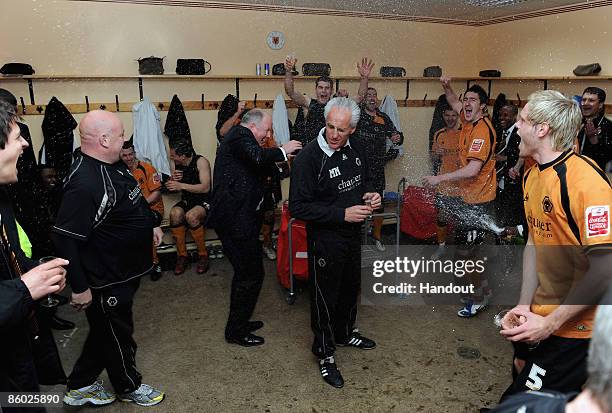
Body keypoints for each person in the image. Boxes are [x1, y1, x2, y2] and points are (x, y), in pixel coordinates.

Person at [498, 90, 611, 400]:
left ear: (542, 129)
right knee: (522, 371)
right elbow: (535, 241)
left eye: (522, 120)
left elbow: (604, 271)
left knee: (519, 404)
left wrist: (549, 325)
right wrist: (525, 305)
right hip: (542, 315)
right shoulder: (532, 174)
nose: (516, 127)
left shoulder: (586, 184)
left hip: (579, 329)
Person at [52, 110, 165, 407]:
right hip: (106, 279)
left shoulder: (112, 165)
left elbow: (132, 199)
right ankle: (129, 386)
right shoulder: (84, 182)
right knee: (118, 334)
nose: (125, 139)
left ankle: (79, 386)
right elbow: (64, 239)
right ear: (103, 139)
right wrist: (79, 287)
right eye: (120, 135)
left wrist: (151, 223)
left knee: (107, 332)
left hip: (125, 271)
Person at [290, 97, 381, 389]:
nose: (333, 134)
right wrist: (342, 214)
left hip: (354, 235)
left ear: (352, 129)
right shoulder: (308, 159)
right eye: (330, 127)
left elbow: (365, 180)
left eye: (341, 130)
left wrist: (372, 195)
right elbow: (298, 208)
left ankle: (344, 334)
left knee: (351, 287)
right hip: (326, 239)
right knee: (324, 297)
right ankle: (325, 353)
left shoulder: (357, 147)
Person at [208, 109, 301, 347]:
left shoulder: (250, 150)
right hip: (233, 220)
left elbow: (277, 170)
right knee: (249, 275)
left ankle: (240, 322)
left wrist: (286, 160)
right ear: (252, 127)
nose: (268, 134)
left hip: (244, 219)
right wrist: (282, 149)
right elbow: (260, 158)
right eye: (266, 129)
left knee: (250, 274)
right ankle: (236, 332)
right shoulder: (239, 135)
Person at [0, 100, 69, 404]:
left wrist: (32, 272)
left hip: (16, 342)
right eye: (17, 138)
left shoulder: (2, 197)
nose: (26, 144)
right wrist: (25, 288)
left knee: (26, 399)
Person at [423, 77, 497, 317]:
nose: (466, 103)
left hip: (479, 203)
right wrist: (446, 87)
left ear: (483, 106)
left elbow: (472, 169)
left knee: (468, 255)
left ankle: (479, 298)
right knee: (465, 252)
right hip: (468, 199)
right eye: (466, 99)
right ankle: (481, 291)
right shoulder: (467, 120)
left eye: (472, 99)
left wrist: (439, 179)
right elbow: (453, 100)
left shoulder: (482, 132)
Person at [490, 287, 612, 413]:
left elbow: (602, 276)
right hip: (535, 315)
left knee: (532, 393)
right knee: (520, 365)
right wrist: (524, 304)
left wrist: (549, 324)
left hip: (573, 332)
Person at [354, 86, 404, 251]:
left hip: (377, 170)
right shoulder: (357, 115)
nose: (372, 98)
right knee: (355, 203)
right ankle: (355, 241)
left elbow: (397, 137)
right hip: (356, 168)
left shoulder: (383, 117)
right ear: (364, 98)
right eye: (368, 95)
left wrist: (397, 137)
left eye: (375, 95)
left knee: (378, 205)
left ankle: (377, 237)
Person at [284, 56, 372, 145]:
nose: (323, 91)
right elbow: (290, 92)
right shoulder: (309, 103)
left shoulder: (337, 105)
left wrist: (364, 78)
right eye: (320, 87)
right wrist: (288, 72)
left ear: (331, 91)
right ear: (316, 90)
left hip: (333, 149)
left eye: (327, 88)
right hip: (314, 150)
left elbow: (360, 97)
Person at [120, 140, 165, 281]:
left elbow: (157, 193)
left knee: (144, 225)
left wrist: (139, 205)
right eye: (125, 155)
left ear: (134, 153)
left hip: (153, 209)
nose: (128, 158)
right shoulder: (119, 172)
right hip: (132, 212)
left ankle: (155, 263)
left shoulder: (146, 168)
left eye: (130, 154)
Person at [166, 139, 212, 275]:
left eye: (173, 155)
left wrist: (182, 185)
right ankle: (182, 256)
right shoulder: (178, 164)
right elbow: (175, 187)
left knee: (191, 216)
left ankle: (203, 255)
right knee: (174, 214)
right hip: (188, 200)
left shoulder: (200, 161)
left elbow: (205, 188)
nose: (171, 157)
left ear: (183, 155)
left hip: (204, 201)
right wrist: (173, 181)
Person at [430, 105, 462, 256]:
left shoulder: (465, 133)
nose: (450, 119)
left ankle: (462, 249)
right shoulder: (439, 134)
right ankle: (441, 247)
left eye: (453, 116)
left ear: (458, 116)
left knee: (462, 219)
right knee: (442, 216)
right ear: (443, 116)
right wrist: (436, 153)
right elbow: (433, 158)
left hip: (462, 185)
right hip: (444, 185)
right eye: (447, 115)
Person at [495, 104, 524, 229]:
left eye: (506, 115)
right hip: (500, 183)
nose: (502, 118)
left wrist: (505, 158)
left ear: (514, 116)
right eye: (500, 114)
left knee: (512, 220)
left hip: (514, 184)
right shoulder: (501, 132)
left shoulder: (519, 133)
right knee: (500, 216)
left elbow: (522, 155)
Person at [578, 87, 611, 171]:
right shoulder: (575, 123)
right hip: (573, 172)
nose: (585, 103)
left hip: (594, 175)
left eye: (591, 100)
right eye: (584, 100)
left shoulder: (608, 126)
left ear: (600, 105)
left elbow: (606, 158)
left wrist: (594, 140)